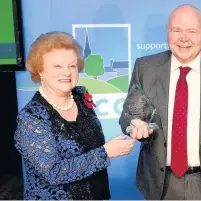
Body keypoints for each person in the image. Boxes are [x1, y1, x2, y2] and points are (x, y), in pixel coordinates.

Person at [119, 4, 201, 200]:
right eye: (176, 30)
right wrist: (135, 123)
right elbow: (131, 112)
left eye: (192, 31)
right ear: (167, 31)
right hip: (160, 184)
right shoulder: (145, 67)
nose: (183, 38)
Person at [14, 32, 136, 200]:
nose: (67, 73)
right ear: (40, 70)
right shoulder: (32, 117)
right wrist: (105, 152)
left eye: (72, 66)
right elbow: (53, 172)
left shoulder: (80, 95)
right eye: (57, 66)